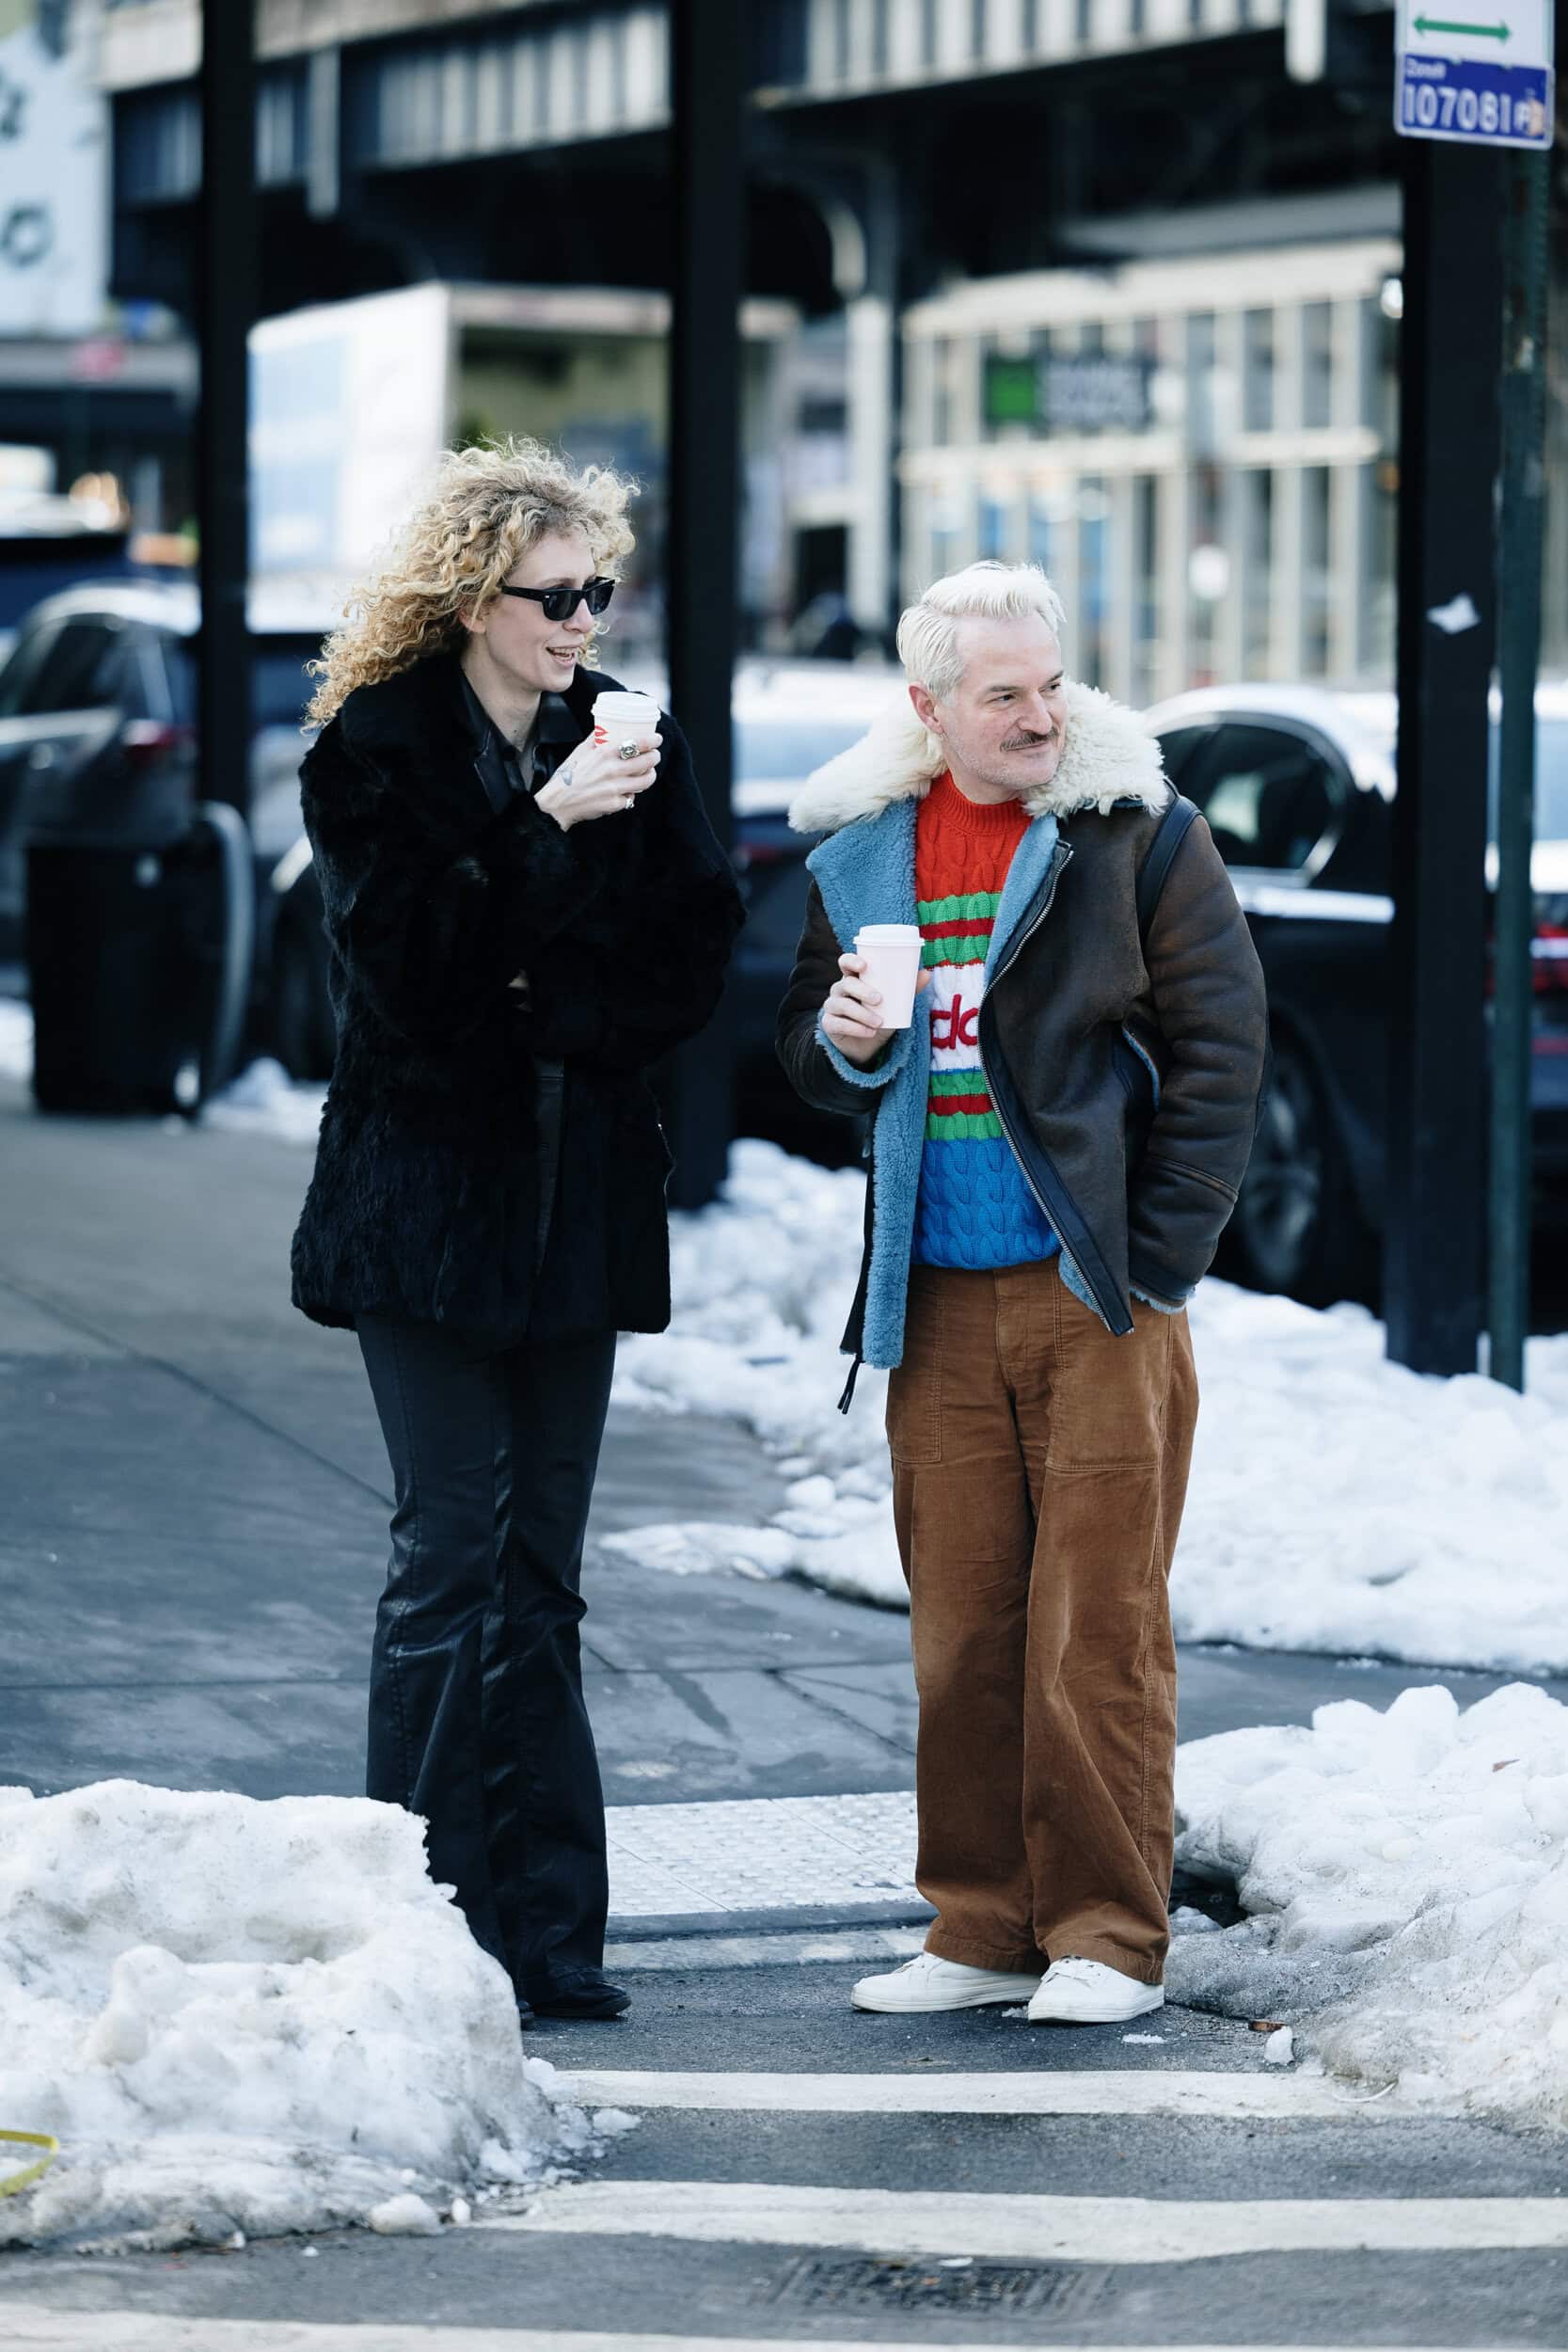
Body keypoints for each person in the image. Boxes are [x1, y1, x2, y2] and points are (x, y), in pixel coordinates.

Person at [776, 562, 1266, 2026]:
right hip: (934, 1294)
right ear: (930, 710)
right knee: (964, 1628)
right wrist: (846, 1036)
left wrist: (1158, 1255)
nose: (1040, 715)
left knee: (1095, 1629)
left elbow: (1225, 1055)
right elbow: (809, 1067)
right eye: (1006, 695)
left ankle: (1110, 1937)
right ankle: (980, 1929)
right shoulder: (862, 854)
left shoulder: (1139, 838)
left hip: (1094, 1295)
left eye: (1051, 684)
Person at [291, 439, 743, 2027]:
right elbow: (404, 970)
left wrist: (545, 985)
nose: (584, 624)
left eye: (601, 592)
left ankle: (546, 1931)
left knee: (541, 1573)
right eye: (559, 597)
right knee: (447, 1556)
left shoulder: (624, 732)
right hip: (425, 1208)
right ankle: (400, 1919)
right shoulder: (375, 745)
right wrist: (546, 835)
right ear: (476, 592)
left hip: (577, 1204)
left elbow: (693, 944)